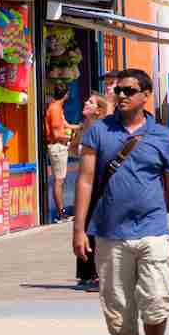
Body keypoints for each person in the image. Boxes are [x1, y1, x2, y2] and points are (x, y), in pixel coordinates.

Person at [73, 68, 169, 335]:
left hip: (152, 230)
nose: (120, 96)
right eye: (116, 91)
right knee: (119, 309)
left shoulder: (163, 136)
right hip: (109, 232)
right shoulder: (98, 132)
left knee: (156, 303)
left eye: (128, 90)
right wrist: (79, 230)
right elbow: (85, 180)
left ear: (145, 95)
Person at [69, 93, 108, 291]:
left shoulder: (104, 130)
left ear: (99, 110)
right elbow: (73, 150)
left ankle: (97, 274)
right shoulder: (84, 128)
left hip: (99, 183)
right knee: (82, 225)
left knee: (95, 227)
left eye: (91, 102)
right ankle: (85, 273)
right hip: (84, 182)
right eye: (87, 100)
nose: (85, 102)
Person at [45, 84, 76, 222]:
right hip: (57, 146)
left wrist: (81, 127)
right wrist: (70, 139)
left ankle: (61, 212)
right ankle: (61, 213)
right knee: (59, 180)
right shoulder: (56, 109)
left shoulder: (56, 107)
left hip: (60, 146)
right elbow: (56, 134)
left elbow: (66, 126)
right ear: (66, 94)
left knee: (60, 180)